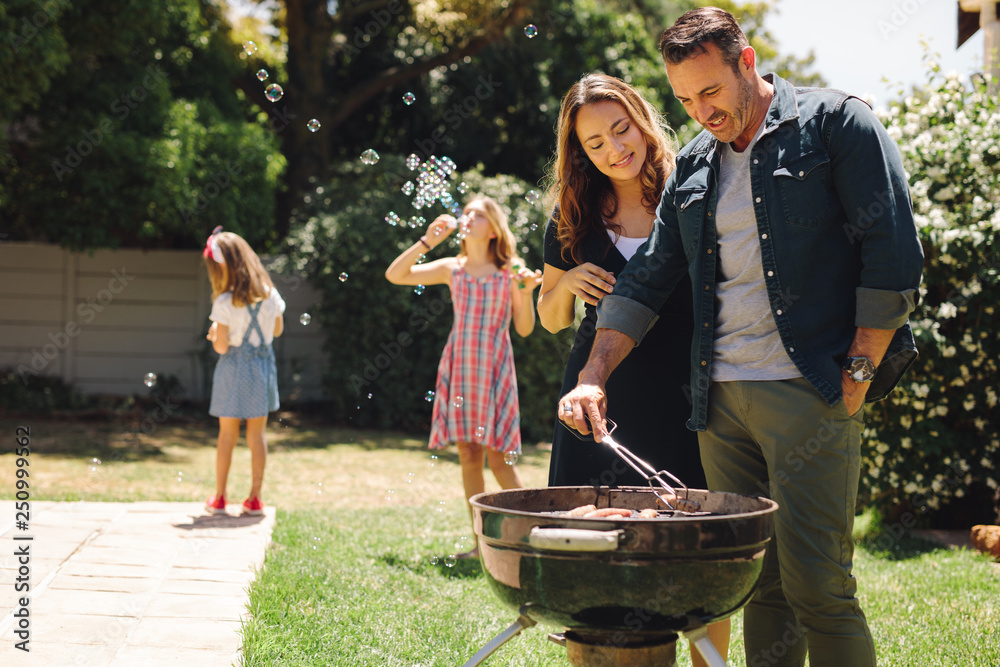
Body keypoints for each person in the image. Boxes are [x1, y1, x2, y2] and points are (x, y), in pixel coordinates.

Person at [558, 8, 924, 667]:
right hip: (720, 409)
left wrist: (860, 371)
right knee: (758, 585)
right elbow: (644, 280)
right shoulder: (694, 166)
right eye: (684, 99)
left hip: (809, 391)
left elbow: (893, 254)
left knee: (821, 586)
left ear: (746, 62)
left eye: (710, 92)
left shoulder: (835, 124)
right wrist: (593, 372)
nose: (700, 111)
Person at [537, 72, 728, 666]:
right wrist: (565, 282)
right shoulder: (574, 216)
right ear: (580, 154)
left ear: (643, 120)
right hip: (600, 400)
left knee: (695, 551)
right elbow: (548, 318)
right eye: (596, 143)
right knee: (592, 548)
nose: (615, 149)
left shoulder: (695, 189)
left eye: (621, 130)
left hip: (685, 395)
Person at [385, 195, 542, 557]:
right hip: (461, 367)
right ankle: (480, 544)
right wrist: (428, 241)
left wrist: (526, 292)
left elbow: (524, 329)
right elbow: (396, 275)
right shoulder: (451, 268)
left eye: (479, 214)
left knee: (499, 458)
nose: (468, 217)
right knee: (469, 455)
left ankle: (525, 537)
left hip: (495, 369)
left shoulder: (512, 269)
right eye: (467, 212)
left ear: (493, 230)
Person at [203, 227, 285, 517]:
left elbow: (223, 347)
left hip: (234, 369)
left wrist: (215, 334)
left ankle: (221, 497)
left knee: (227, 436)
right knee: (257, 436)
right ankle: (254, 498)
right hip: (262, 367)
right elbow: (276, 330)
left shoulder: (224, 302)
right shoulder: (271, 295)